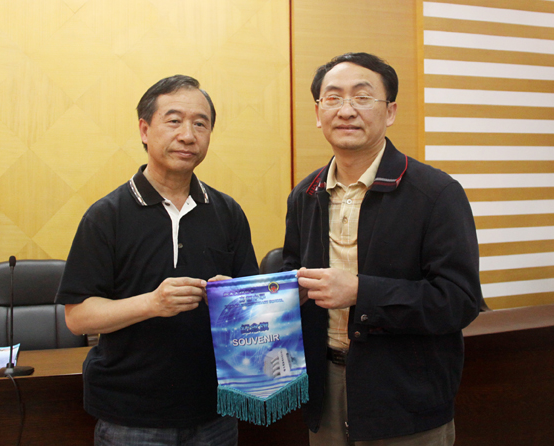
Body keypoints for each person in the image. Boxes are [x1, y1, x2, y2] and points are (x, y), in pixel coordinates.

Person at [283, 52, 483, 445]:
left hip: (405, 395)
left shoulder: (436, 193)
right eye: (333, 98)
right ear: (318, 112)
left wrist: (361, 291)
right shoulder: (305, 194)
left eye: (362, 97)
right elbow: (293, 272)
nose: (346, 110)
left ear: (390, 111)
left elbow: (459, 301)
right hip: (324, 387)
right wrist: (247, 295)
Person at [56, 75, 258, 446]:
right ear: (145, 130)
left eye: (200, 124)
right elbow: (78, 317)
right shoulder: (107, 216)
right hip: (131, 416)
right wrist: (153, 303)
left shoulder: (228, 212)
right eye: (174, 120)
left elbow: (252, 308)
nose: (188, 135)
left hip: (216, 411)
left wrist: (235, 298)